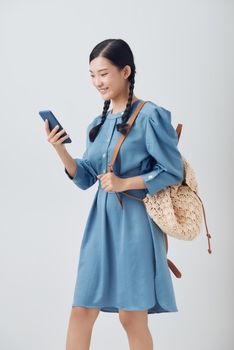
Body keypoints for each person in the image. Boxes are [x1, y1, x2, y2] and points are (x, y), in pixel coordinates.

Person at [44, 38, 184, 350]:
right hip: (100, 225)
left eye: (104, 73)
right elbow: (85, 178)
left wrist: (124, 183)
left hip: (136, 225)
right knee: (81, 309)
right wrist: (59, 149)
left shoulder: (150, 115)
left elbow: (173, 170)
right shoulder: (98, 124)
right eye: (92, 75)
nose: (97, 82)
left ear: (126, 71)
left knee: (131, 317)